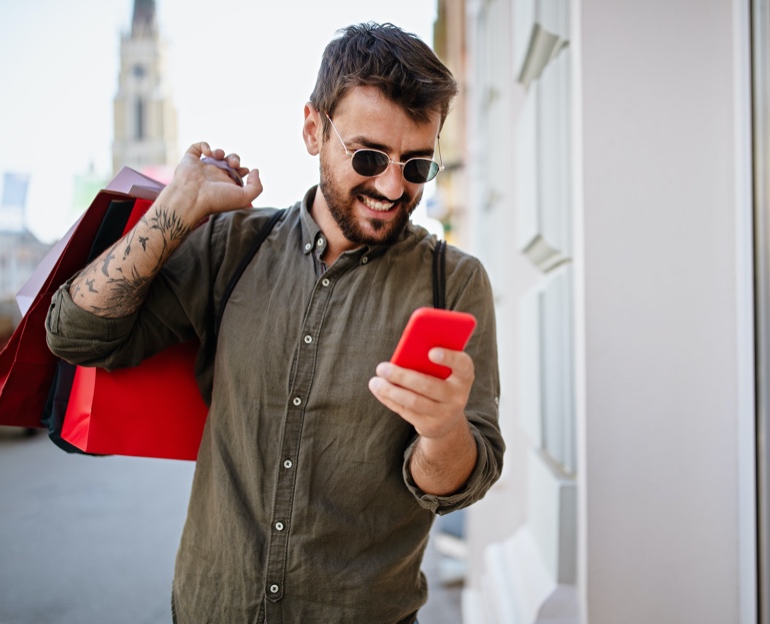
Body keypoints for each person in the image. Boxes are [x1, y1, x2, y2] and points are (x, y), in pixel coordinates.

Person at [45, 22, 503, 624]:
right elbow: (73, 334)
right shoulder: (231, 246)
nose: (393, 186)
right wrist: (174, 214)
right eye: (369, 156)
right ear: (313, 130)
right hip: (214, 608)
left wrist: (443, 431)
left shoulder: (455, 283)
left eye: (417, 165)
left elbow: (458, 486)